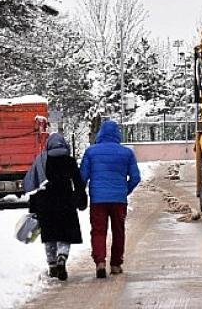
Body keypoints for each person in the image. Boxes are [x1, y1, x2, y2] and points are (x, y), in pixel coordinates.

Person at [80, 120, 141, 279]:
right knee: (118, 231)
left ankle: (100, 262)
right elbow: (135, 177)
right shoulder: (127, 153)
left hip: (98, 200)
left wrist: (82, 192)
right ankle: (115, 264)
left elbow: (82, 177)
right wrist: (124, 191)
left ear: (100, 134)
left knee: (98, 231)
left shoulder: (91, 152)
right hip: (119, 200)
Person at [23, 133, 87, 282]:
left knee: (49, 235)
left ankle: (52, 265)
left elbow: (35, 185)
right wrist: (81, 199)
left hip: (45, 204)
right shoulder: (69, 161)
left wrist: (33, 207)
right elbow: (78, 182)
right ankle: (62, 258)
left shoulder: (41, 161)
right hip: (66, 203)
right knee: (65, 234)